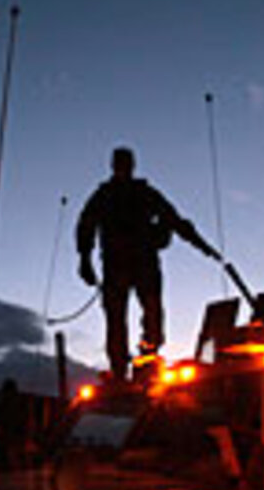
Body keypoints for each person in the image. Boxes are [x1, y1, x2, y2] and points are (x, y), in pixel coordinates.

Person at [77, 146, 220, 380]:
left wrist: (201, 245)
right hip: (117, 266)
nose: (123, 167)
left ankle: (148, 354)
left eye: (126, 163)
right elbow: (86, 226)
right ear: (113, 166)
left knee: (152, 312)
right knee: (117, 319)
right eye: (120, 163)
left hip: (144, 263)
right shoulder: (104, 195)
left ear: (132, 165)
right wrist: (84, 259)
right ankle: (119, 369)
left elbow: (173, 219)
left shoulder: (144, 193)